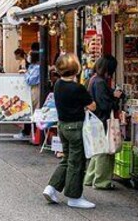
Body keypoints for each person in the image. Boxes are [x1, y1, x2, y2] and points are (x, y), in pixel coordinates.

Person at [43, 53, 97, 209]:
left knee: (67, 159)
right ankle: (74, 197)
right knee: (76, 162)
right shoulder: (77, 88)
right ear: (77, 69)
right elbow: (92, 105)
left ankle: (51, 187)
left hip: (62, 126)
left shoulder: (58, 84)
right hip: (75, 127)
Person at [84, 54, 123, 191]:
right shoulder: (100, 82)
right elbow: (105, 105)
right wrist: (116, 99)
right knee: (105, 151)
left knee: (98, 150)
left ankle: (90, 178)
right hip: (102, 120)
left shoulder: (92, 79)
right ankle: (102, 181)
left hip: (94, 120)